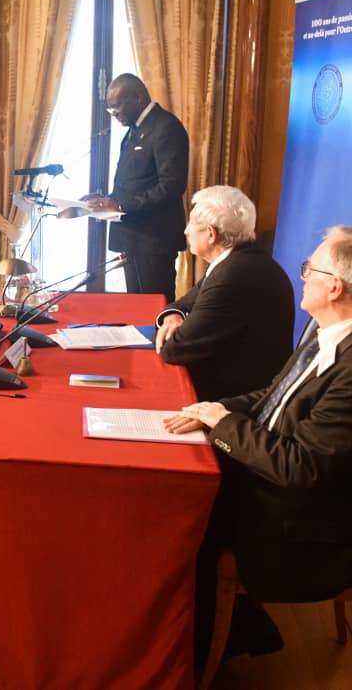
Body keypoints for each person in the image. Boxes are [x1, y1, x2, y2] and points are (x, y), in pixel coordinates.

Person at [166, 225, 352, 664]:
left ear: (335, 287)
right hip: (269, 475)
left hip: (298, 527)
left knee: (181, 519)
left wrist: (224, 423)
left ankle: (196, 645)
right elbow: (274, 394)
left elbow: (299, 468)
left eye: (311, 269)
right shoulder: (322, 330)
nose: (302, 276)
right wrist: (210, 408)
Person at [155, 186, 294, 400]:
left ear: (211, 234)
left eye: (191, 223)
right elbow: (183, 304)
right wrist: (172, 318)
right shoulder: (238, 260)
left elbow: (175, 350)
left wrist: (171, 332)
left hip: (235, 397)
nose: (186, 231)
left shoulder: (233, 275)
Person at [86, 73, 189, 300]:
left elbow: (172, 185)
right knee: (136, 308)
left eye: (117, 108)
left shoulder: (165, 127)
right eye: (110, 110)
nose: (114, 115)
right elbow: (134, 182)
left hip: (153, 240)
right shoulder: (135, 130)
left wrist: (121, 204)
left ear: (138, 98)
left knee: (153, 312)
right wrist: (106, 199)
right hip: (133, 237)